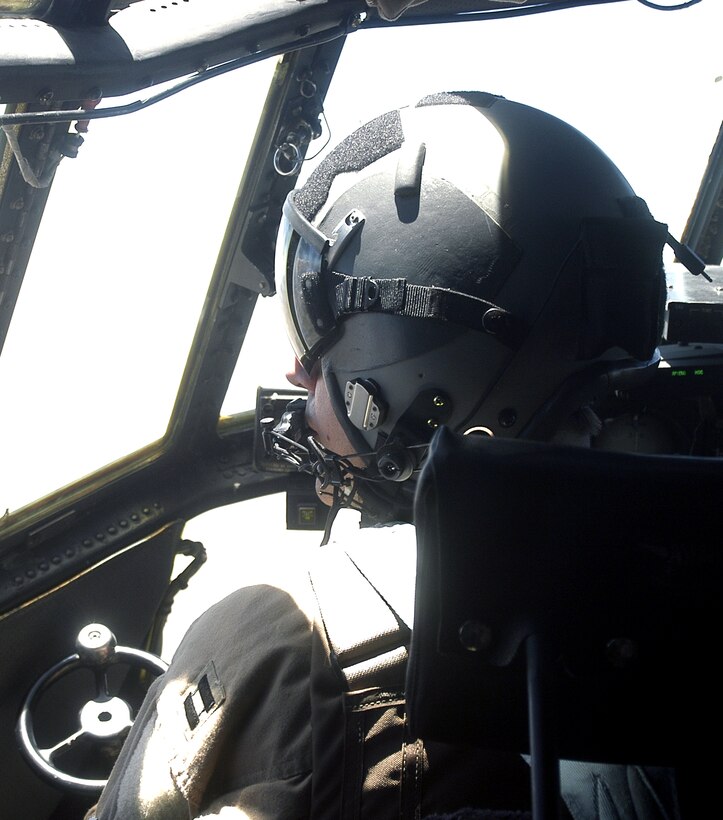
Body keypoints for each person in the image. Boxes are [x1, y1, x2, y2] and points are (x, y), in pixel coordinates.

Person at [88, 91, 681, 819]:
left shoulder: (291, 636)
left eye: (323, 326)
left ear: (422, 381)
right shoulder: (667, 584)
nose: (298, 372)